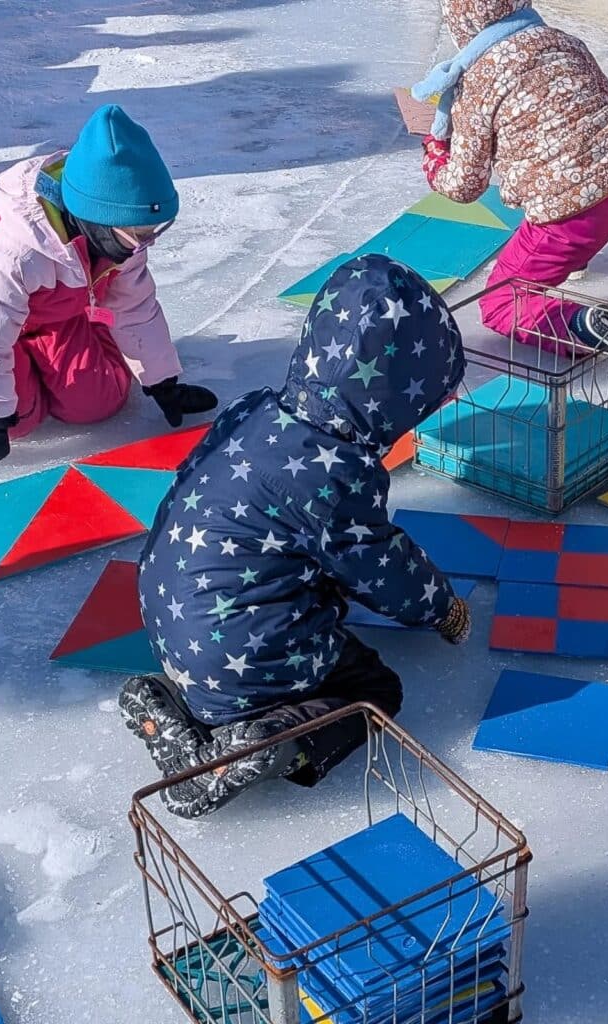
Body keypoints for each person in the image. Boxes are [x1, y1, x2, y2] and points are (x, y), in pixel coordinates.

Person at [120, 254, 472, 819]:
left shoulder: (256, 409)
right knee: (375, 691)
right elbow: (378, 565)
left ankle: (185, 717)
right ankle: (267, 741)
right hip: (245, 655)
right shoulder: (335, 472)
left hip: (170, 620)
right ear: (397, 398)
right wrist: (440, 608)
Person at [0, 104, 217, 466]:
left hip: (57, 314)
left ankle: (53, 350)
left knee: (101, 401)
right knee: (18, 420)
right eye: (141, 234)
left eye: (155, 231)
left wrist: (163, 383)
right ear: (98, 218)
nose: (149, 242)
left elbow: (135, 307)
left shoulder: (121, 241)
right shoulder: (12, 254)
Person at [414, 0, 608, 363]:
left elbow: (465, 185)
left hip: (574, 217)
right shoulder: (564, 41)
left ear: (458, 20)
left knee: (500, 303)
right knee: (556, 178)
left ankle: (581, 326)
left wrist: (435, 154)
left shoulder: (478, 80)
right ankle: (573, 260)